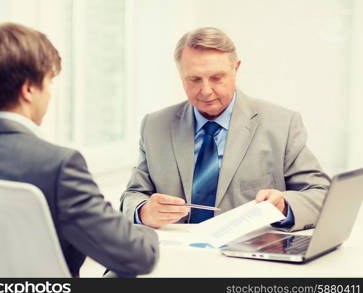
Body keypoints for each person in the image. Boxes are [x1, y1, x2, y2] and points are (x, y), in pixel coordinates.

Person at [0, 23, 159, 277]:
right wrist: (146, 230)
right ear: (28, 89)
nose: (50, 94)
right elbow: (136, 256)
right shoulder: (58, 165)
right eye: (49, 81)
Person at [120, 27, 330, 231]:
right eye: (193, 79)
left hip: (249, 257)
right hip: (174, 255)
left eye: (216, 78)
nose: (206, 90)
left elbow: (321, 194)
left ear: (235, 69)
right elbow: (132, 195)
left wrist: (284, 205)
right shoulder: (155, 126)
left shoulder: (282, 123)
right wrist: (143, 211)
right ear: (180, 75)